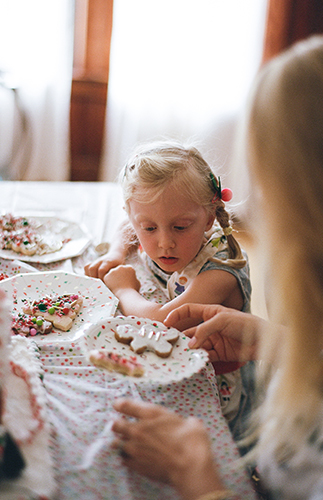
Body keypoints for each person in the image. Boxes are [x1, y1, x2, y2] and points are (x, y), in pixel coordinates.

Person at [111, 34, 323, 500]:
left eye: (273, 176)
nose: (259, 203)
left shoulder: (223, 264)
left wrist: (201, 479)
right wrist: (279, 342)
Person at [85, 141, 253, 429]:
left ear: (210, 217)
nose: (164, 242)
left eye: (180, 227)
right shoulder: (155, 224)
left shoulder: (220, 271)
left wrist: (125, 289)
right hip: (167, 364)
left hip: (214, 386)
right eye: (149, 228)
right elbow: (128, 226)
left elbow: (164, 322)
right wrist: (115, 252)